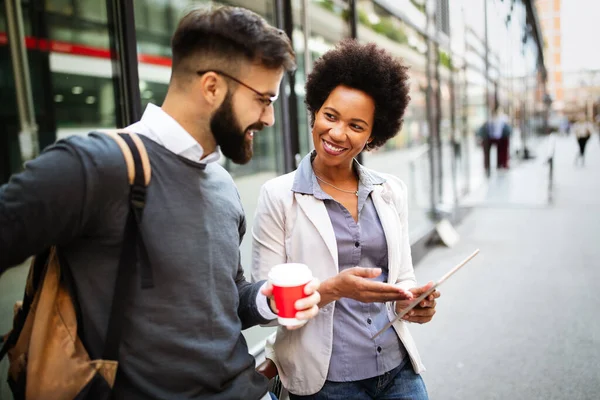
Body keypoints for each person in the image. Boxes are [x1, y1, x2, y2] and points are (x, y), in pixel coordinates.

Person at [0, 6, 321, 399]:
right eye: (263, 99)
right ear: (212, 87)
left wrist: (264, 299)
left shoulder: (220, 182)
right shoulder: (98, 165)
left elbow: (224, 302)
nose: (269, 118)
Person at [251, 39, 439, 399]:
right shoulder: (279, 196)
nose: (337, 134)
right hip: (328, 382)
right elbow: (268, 307)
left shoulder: (391, 191)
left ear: (372, 135)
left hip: (397, 370)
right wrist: (333, 289)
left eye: (356, 125)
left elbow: (402, 279)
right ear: (315, 111)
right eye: (330, 116)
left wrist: (412, 301)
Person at [477, 102, 512, 174]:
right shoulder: (488, 118)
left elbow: (506, 129)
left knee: (502, 150)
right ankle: (487, 166)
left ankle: (501, 164)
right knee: (486, 150)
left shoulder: (502, 118)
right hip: (489, 138)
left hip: (500, 138)